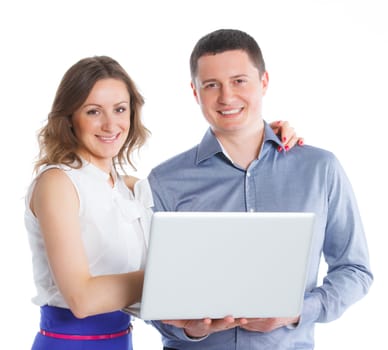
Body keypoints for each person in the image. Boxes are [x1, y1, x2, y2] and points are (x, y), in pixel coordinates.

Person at [25, 55, 299, 350]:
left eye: (120, 109)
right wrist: (169, 278)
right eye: (93, 112)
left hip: (120, 340)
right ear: (69, 119)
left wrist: (258, 136)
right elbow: (82, 299)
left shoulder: (129, 187)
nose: (110, 124)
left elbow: (197, 207)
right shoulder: (57, 183)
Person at [146, 29, 373, 349]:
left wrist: (297, 312)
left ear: (264, 81)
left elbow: (355, 269)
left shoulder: (320, 169)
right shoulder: (164, 181)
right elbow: (152, 300)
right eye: (211, 85)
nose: (226, 97)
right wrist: (192, 328)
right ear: (195, 93)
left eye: (239, 80)